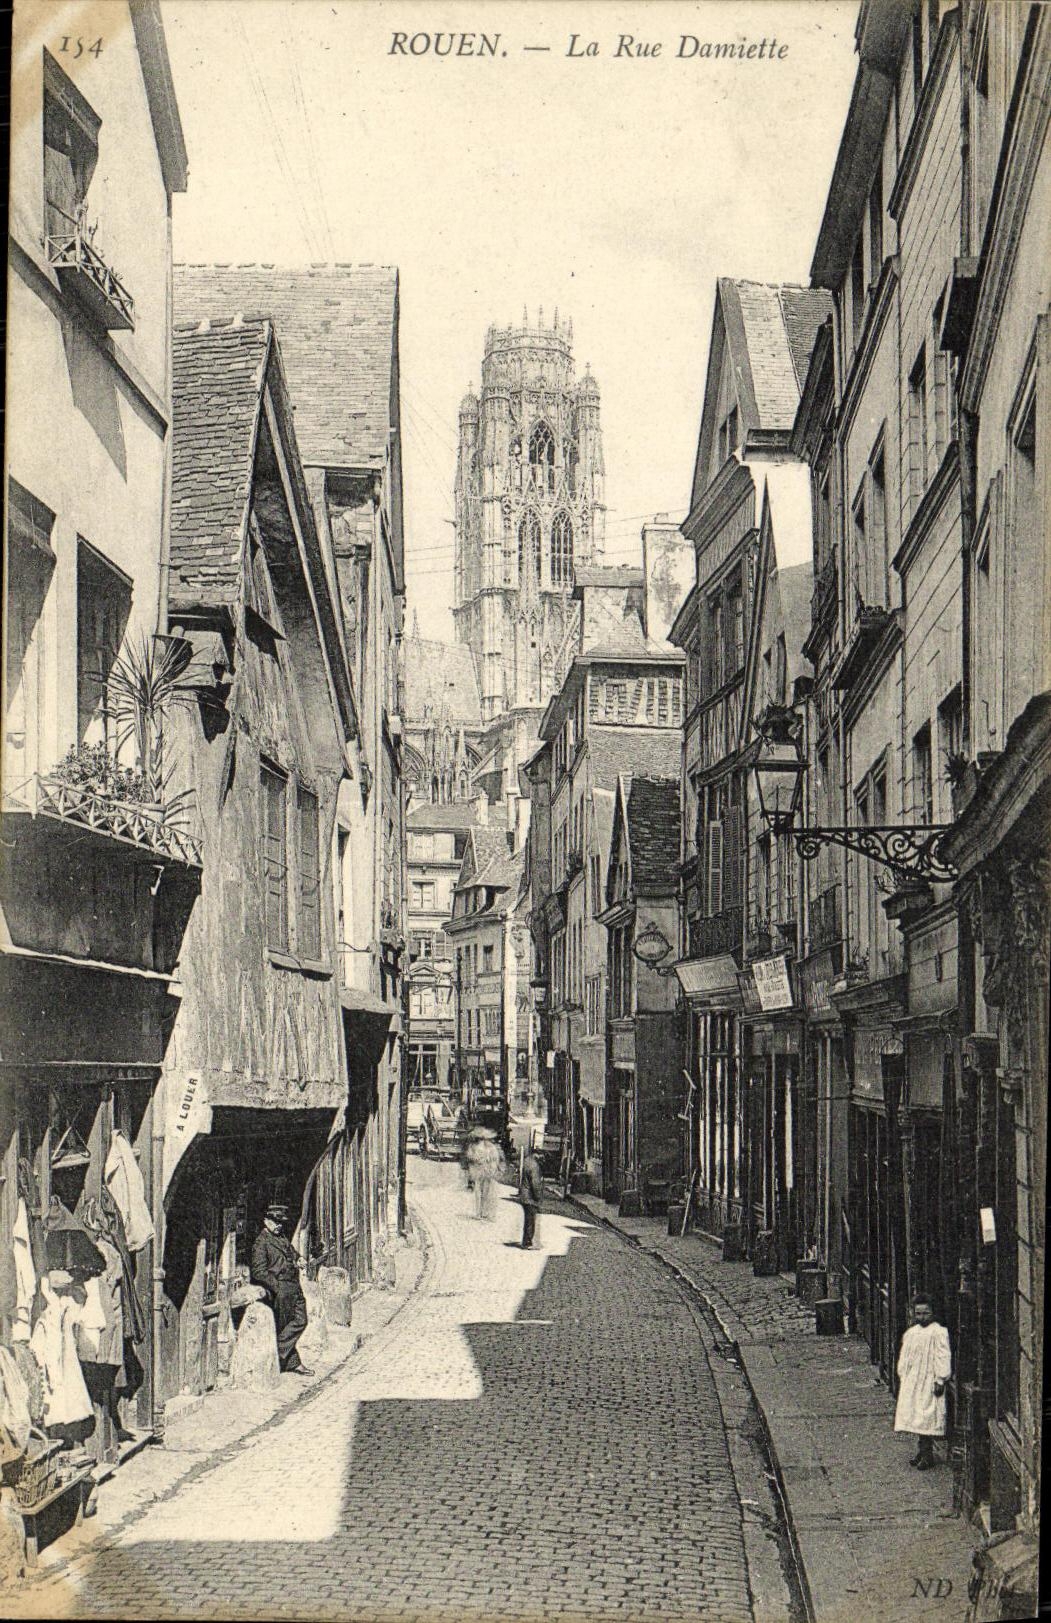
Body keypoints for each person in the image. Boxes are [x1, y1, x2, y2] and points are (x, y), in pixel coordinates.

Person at [250, 1203, 312, 1376]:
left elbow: (291, 1252)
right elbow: (258, 1271)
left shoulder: (281, 1237)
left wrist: (298, 1258)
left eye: (281, 1222)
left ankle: (278, 1354)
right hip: (281, 1290)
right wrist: (277, 1287)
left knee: (301, 1320)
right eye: (275, 1221)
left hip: (294, 1286)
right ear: (266, 1221)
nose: (279, 1225)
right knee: (285, 1325)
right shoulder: (261, 1243)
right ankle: (290, 1361)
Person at [894, 1295, 951, 1469]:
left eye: (926, 1313)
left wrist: (940, 1378)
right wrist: (903, 1374)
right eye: (918, 1313)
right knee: (916, 1416)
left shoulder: (939, 1332)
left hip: (929, 1380)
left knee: (927, 1416)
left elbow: (943, 1356)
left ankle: (928, 1455)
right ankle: (921, 1450)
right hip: (914, 1380)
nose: (922, 1317)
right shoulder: (912, 1333)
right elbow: (905, 1356)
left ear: (932, 1313)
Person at [518, 1144, 545, 1249]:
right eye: (541, 1155)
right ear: (537, 1155)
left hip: (524, 1195)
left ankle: (526, 1241)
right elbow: (536, 1184)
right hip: (530, 1197)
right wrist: (538, 1197)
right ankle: (528, 1243)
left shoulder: (527, 1161)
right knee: (531, 1220)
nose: (542, 1158)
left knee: (528, 1220)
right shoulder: (534, 1166)